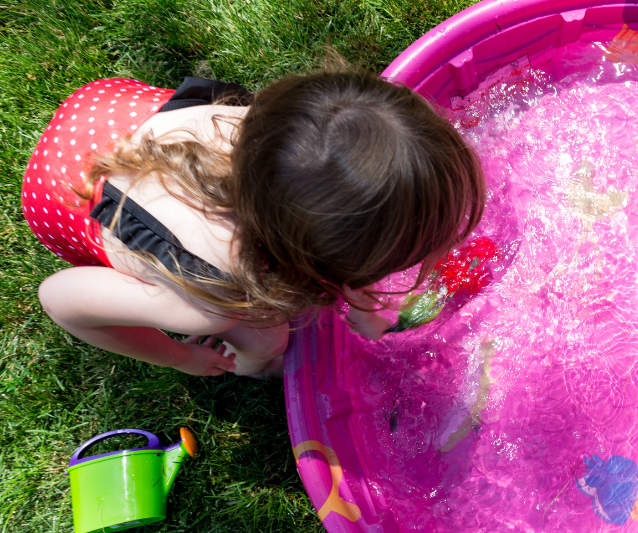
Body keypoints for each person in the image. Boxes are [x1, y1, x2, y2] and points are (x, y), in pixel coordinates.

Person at [23, 73, 485, 377]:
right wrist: (182, 356)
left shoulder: (283, 135)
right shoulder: (211, 289)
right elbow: (59, 298)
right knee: (265, 339)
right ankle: (253, 362)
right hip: (64, 198)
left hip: (110, 110)